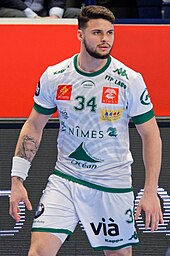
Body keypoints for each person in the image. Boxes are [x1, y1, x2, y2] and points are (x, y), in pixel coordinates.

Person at [9, 5, 163, 256]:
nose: (105, 39)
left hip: (112, 184)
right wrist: (17, 179)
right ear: (80, 35)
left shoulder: (129, 80)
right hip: (66, 180)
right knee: (38, 252)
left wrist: (150, 191)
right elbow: (33, 126)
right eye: (97, 33)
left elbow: (151, 135)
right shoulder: (55, 76)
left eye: (110, 33)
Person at [0, 0, 64, 18]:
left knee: (73, 13)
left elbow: (57, 1)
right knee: (20, 16)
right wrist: (33, 16)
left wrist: (54, 16)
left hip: (44, 12)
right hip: (18, 9)